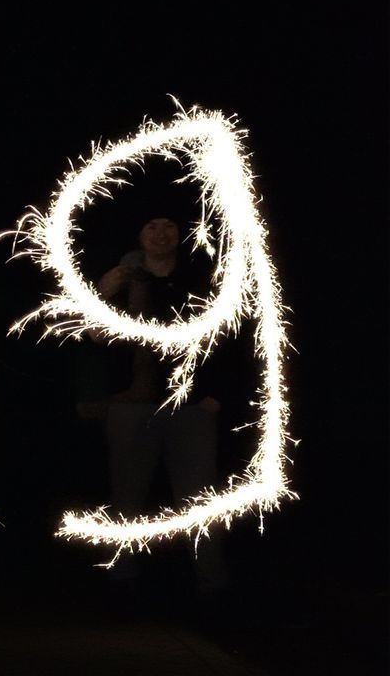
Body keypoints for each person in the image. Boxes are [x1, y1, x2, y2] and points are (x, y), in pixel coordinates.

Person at [94, 213, 230, 598]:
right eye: (151, 225)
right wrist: (105, 291)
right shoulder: (121, 281)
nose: (161, 233)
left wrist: (214, 395)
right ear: (138, 234)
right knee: (126, 496)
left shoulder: (199, 280)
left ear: (181, 234)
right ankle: (122, 583)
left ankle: (212, 587)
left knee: (200, 499)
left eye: (169, 225)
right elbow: (93, 336)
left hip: (189, 405)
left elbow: (221, 335)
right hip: (131, 405)